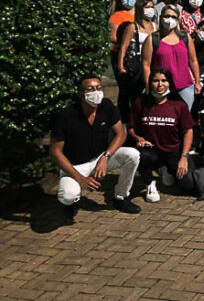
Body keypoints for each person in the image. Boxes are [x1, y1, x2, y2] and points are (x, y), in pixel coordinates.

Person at [51, 75, 142, 222]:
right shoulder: (66, 115)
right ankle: (72, 202)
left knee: (132, 154)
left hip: (100, 158)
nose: (96, 92)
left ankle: (120, 197)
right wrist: (81, 179)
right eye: (90, 89)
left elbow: (121, 135)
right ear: (80, 94)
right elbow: (55, 152)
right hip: (75, 166)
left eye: (99, 88)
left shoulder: (106, 106)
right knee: (68, 196)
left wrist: (105, 157)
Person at [129, 68, 195, 202]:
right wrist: (138, 138)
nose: (160, 84)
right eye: (155, 81)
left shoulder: (178, 104)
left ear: (170, 83)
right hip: (151, 151)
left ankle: (167, 169)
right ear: (150, 83)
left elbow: (188, 131)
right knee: (137, 155)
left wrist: (184, 157)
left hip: (173, 151)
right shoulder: (140, 102)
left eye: (164, 81)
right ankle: (150, 183)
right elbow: (130, 127)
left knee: (189, 185)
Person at [141, 5, 201, 111]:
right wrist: (148, 85)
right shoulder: (153, 39)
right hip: (161, 87)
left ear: (178, 20)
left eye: (173, 17)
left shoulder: (185, 37)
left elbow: (193, 61)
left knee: (185, 118)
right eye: (167, 16)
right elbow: (146, 65)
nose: (170, 19)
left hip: (185, 86)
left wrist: (197, 82)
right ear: (160, 17)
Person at [116, 0, 156, 120]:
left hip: (152, 63)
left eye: (152, 7)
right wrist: (120, 65)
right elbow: (123, 47)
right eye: (147, 7)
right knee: (135, 94)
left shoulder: (155, 26)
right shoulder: (133, 27)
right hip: (136, 65)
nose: (150, 10)